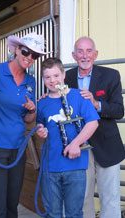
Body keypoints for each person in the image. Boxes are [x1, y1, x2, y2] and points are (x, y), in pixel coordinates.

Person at [0, 32, 46, 218]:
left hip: (17, 147)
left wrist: (32, 111)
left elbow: (27, 119)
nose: (30, 58)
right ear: (16, 50)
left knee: (11, 205)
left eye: (35, 55)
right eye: (26, 52)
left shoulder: (31, 82)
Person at [65, 36, 125, 218]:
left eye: (89, 51)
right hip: (81, 146)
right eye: (80, 51)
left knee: (110, 199)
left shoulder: (111, 75)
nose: (85, 55)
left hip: (107, 145)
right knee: (82, 197)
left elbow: (118, 110)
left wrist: (96, 103)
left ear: (96, 54)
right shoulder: (66, 77)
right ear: (74, 55)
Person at [36, 57, 99, 217]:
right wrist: (40, 131)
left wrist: (76, 144)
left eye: (56, 75)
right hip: (50, 167)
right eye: (47, 77)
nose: (52, 80)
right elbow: (39, 125)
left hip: (75, 167)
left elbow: (93, 123)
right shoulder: (42, 103)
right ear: (43, 79)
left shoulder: (79, 96)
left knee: (74, 213)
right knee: (52, 213)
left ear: (64, 75)